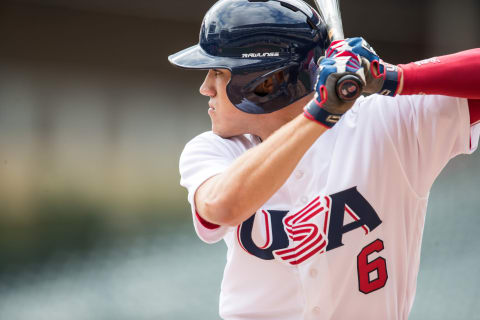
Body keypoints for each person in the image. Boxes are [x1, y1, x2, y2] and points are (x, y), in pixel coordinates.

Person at [168, 0, 480, 319]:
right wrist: (321, 113)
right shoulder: (213, 150)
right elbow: (223, 206)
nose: (205, 88)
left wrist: (391, 78)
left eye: (219, 72)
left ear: (266, 82)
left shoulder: (390, 124)